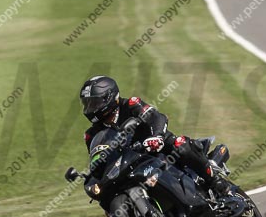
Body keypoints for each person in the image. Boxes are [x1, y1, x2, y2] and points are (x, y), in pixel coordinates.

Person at [80, 75, 230, 197]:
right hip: (130, 162)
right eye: (87, 104)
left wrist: (157, 136)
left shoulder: (131, 104)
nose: (90, 109)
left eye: (94, 103)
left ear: (109, 97)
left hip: (158, 146)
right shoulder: (91, 134)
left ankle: (214, 180)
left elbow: (156, 117)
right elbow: (98, 157)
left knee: (180, 144)